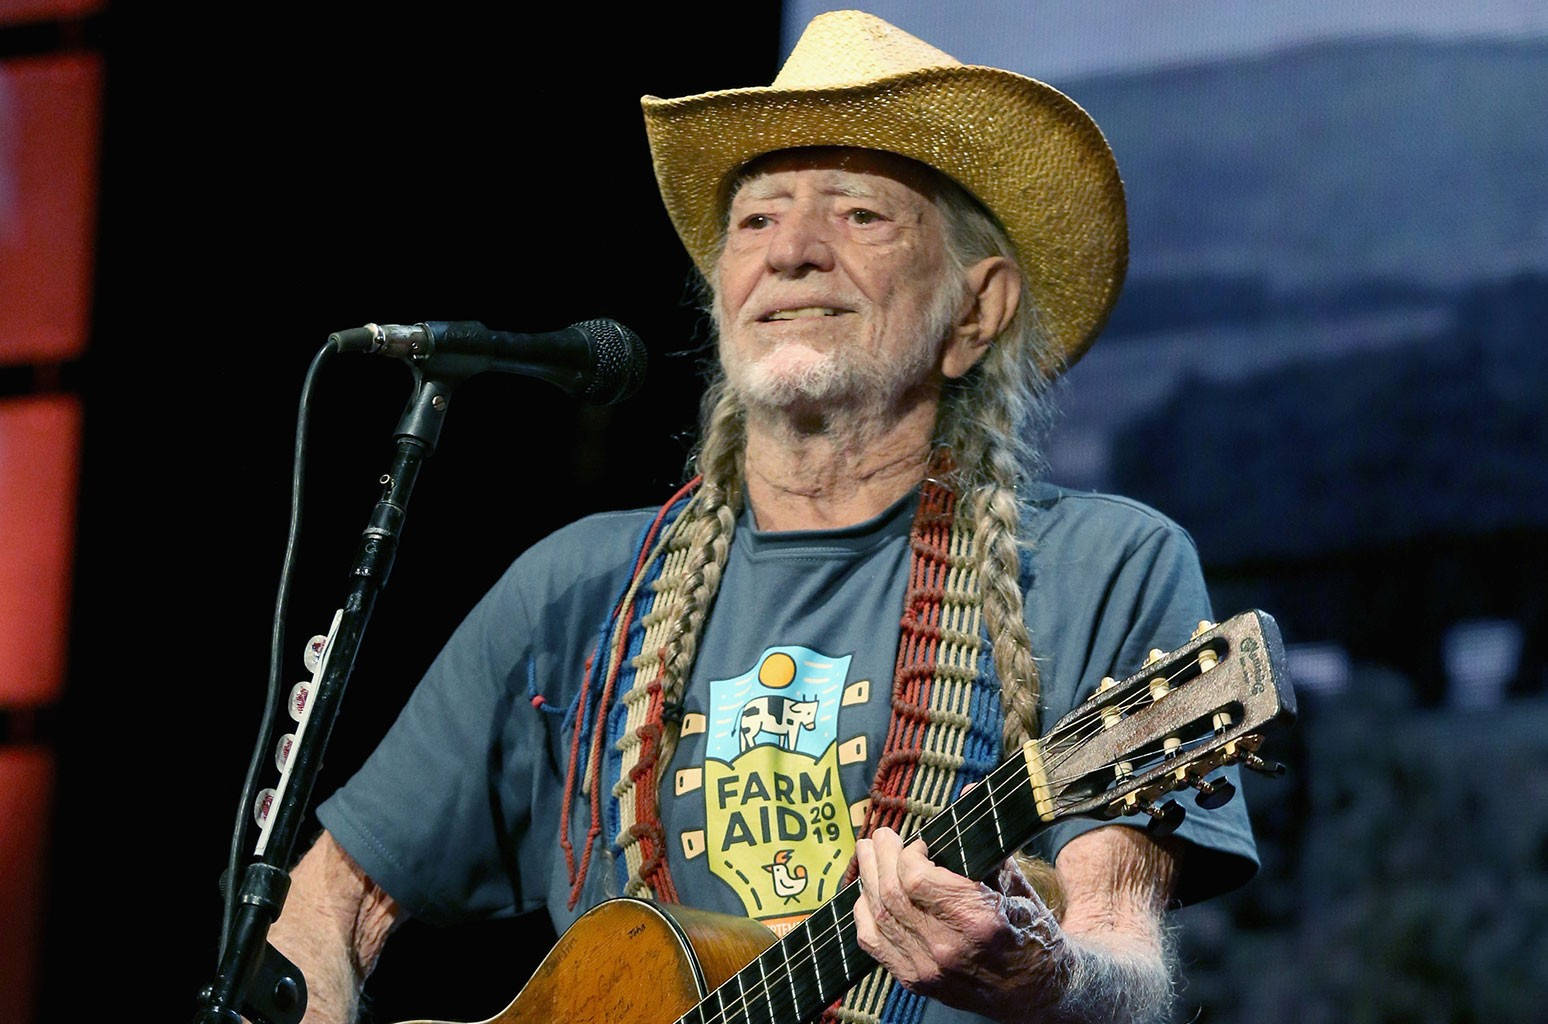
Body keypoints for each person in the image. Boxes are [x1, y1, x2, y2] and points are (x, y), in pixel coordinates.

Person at [269, 11, 1257, 1024]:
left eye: (861, 215)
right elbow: (323, 909)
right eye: (755, 219)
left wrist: (1050, 975)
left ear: (976, 311)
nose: (791, 252)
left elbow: (1124, 965)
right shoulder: (573, 588)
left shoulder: (1106, 566)